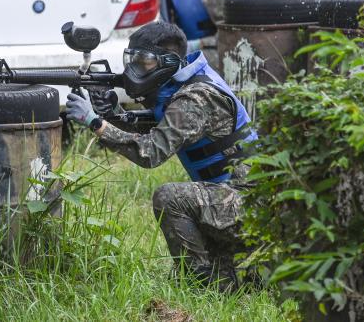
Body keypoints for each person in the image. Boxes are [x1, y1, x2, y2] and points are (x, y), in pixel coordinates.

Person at [65, 21, 257, 289]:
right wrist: (116, 114)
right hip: (238, 201)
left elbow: (150, 152)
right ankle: (229, 276)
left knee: (169, 197)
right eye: (131, 60)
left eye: (144, 62)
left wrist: (96, 123)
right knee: (239, 280)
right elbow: (165, 125)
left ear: (168, 61)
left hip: (251, 210)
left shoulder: (196, 97)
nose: (135, 69)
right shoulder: (188, 82)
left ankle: (199, 281)